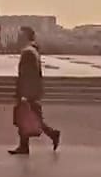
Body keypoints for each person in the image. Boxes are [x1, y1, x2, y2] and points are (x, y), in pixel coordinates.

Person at [8, 25, 61, 156]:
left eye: (20, 35)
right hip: (31, 91)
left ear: (26, 36)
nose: (18, 37)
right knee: (30, 118)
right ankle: (27, 144)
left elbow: (27, 75)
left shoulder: (28, 52)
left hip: (28, 91)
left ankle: (48, 136)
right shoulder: (32, 50)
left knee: (26, 117)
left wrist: (23, 93)